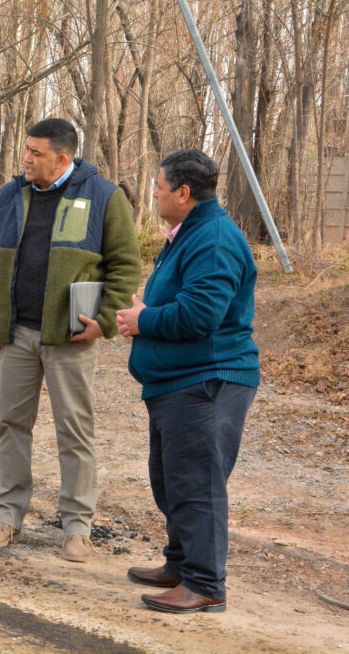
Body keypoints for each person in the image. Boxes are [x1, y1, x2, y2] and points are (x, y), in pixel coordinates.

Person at [0, 118, 141, 561]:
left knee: (74, 430)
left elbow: (125, 266)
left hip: (69, 339)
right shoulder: (9, 195)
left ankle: (77, 526)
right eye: (26, 149)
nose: (25, 158)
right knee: (11, 426)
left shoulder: (104, 196)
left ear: (62, 159)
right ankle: (8, 516)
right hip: (14, 334)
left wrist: (105, 321)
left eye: (35, 152)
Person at [115, 149, 260, 614]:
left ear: (183, 192)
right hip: (177, 382)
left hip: (206, 382)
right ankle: (180, 564)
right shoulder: (190, 232)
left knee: (197, 484)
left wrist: (143, 320)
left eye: (158, 187)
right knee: (172, 480)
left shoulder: (213, 239)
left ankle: (204, 584)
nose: (153, 194)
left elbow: (201, 314)